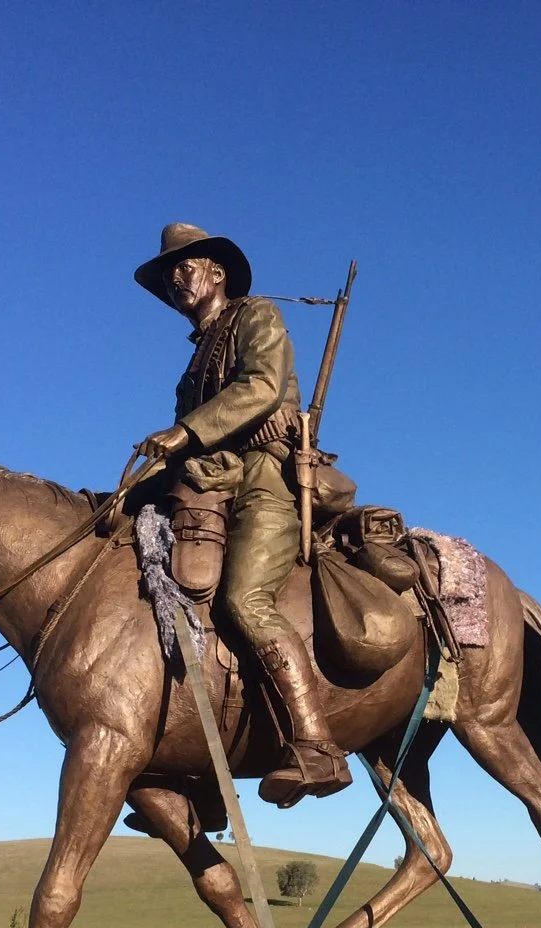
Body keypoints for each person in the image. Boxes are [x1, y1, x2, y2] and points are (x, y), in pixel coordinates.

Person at [132, 223, 351, 807]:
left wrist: (184, 432)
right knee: (174, 588)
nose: (176, 279)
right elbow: (193, 449)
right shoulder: (195, 358)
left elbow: (260, 386)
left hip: (266, 479)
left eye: (186, 267)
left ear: (217, 273)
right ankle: (198, 763)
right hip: (213, 481)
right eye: (168, 274)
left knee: (242, 600)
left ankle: (316, 745)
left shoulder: (255, 317)